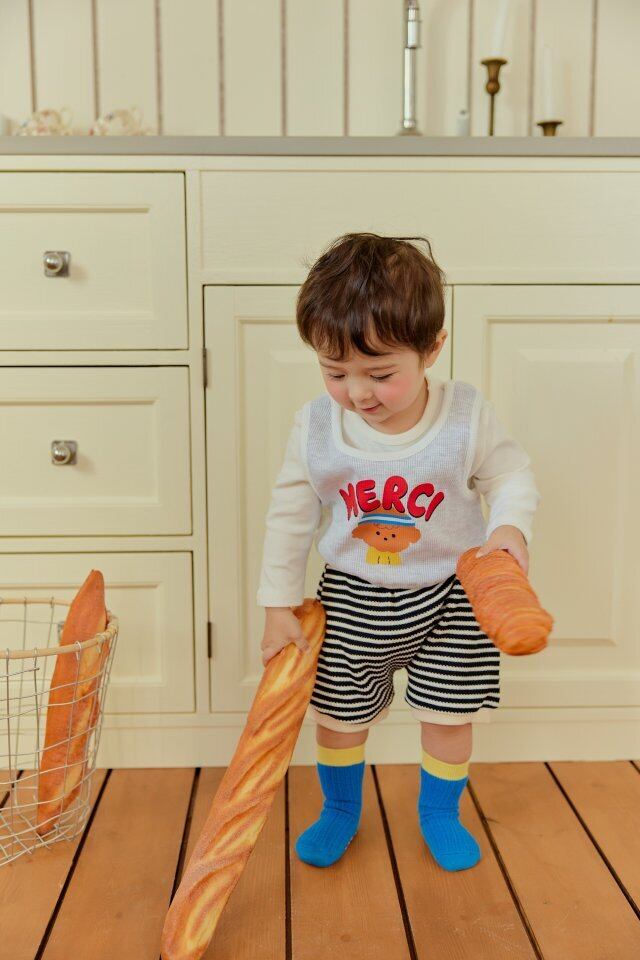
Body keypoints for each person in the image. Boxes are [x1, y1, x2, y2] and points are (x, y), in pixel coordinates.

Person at [257, 232, 540, 872]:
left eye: (381, 374)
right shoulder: (317, 426)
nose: (358, 393)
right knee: (339, 715)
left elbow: (511, 475)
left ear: (431, 348)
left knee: (449, 714)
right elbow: (290, 515)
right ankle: (340, 808)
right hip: (351, 596)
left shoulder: (465, 416)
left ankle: (440, 812)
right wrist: (277, 605)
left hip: (451, 598)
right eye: (335, 373)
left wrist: (510, 528)